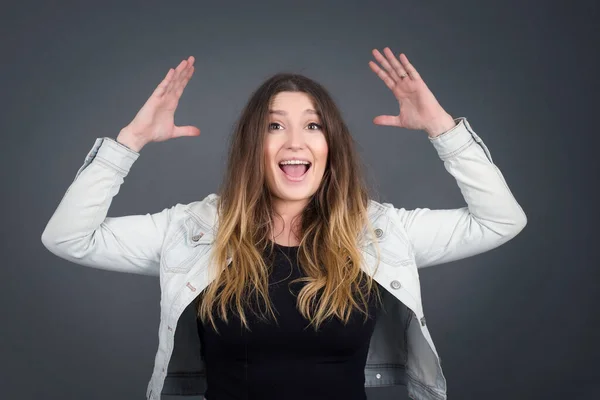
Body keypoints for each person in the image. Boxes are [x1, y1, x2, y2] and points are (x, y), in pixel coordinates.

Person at [41, 48, 527, 400]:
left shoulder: (378, 233)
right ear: (252, 145)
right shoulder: (192, 231)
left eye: (312, 125)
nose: (295, 141)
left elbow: (499, 220)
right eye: (275, 126)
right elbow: (68, 237)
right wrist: (129, 142)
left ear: (330, 145)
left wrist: (443, 129)